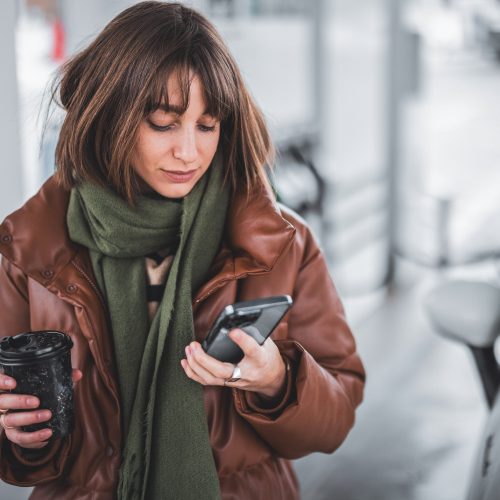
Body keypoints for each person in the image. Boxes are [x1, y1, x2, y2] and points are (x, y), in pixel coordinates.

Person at [0, 2, 365, 499]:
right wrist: (21, 435)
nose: (189, 152)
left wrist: (278, 381)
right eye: (163, 123)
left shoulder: (279, 243)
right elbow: (24, 455)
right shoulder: (30, 250)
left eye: (208, 124)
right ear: (109, 116)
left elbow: (338, 414)